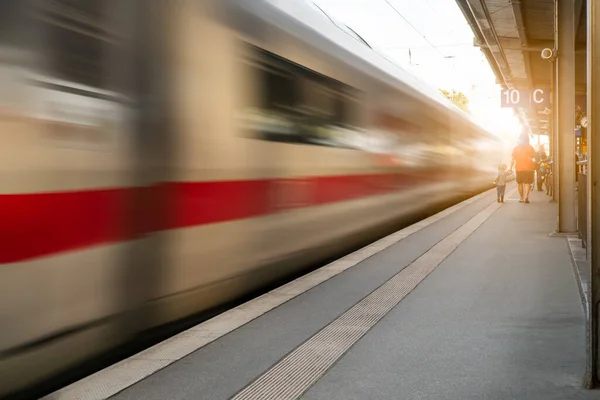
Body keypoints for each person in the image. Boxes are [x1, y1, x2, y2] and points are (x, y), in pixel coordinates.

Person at [510, 134, 536, 203]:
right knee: (527, 183)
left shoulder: (516, 148)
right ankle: (526, 197)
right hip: (529, 168)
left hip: (519, 168)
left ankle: (521, 198)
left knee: (520, 183)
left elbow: (512, 159)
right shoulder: (530, 147)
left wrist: (510, 168)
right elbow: (534, 157)